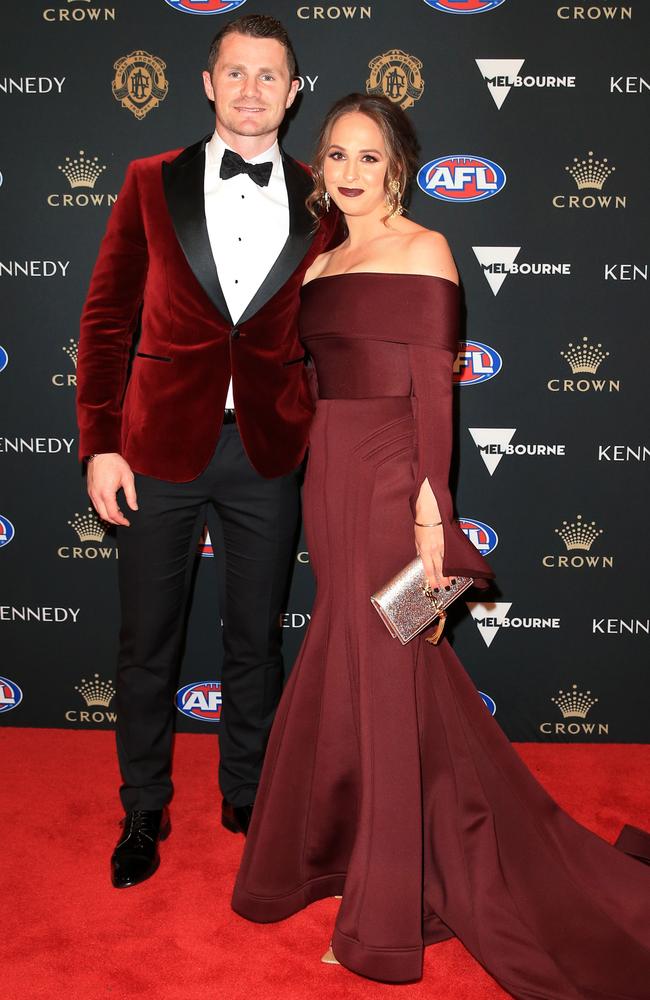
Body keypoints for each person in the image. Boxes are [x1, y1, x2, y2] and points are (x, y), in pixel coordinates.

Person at [232, 94, 650, 996]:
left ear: (400, 168)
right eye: (336, 155)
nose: (347, 173)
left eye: (368, 158)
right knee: (375, 668)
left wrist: (434, 526)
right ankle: (356, 854)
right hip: (328, 484)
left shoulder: (426, 249)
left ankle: (383, 924)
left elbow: (436, 402)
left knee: (390, 672)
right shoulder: (320, 260)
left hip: (397, 488)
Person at [76, 14, 338, 890]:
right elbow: (106, 321)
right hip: (154, 451)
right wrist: (99, 445)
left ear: (293, 91)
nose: (252, 89)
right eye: (237, 72)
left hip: (267, 453)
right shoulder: (149, 182)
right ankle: (143, 807)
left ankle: (248, 793)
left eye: (270, 75)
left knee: (254, 641)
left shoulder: (319, 201)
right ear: (207, 82)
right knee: (147, 642)